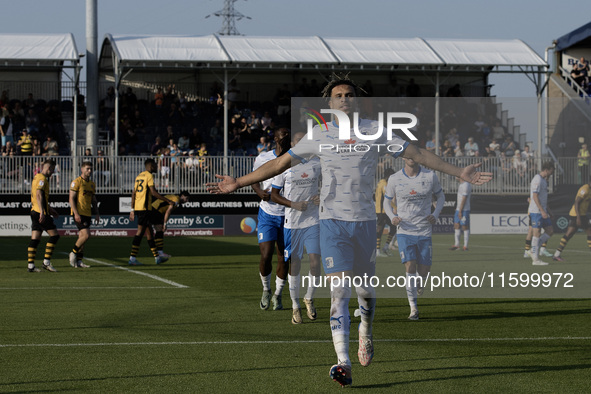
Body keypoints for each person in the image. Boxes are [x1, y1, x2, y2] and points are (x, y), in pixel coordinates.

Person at [207, 73, 492, 387]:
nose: (344, 99)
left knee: (365, 293)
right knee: (339, 292)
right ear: (330, 104)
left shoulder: (376, 132)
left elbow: (418, 154)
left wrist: (458, 172)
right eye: (338, 95)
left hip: (365, 225)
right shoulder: (319, 135)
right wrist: (238, 182)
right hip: (332, 225)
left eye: (349, 95)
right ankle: (343, 362)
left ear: (357, 102)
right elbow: (279, 165)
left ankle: (366, 331)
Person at [384, 156, 445, 320]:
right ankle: (413, 308)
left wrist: (435, 214)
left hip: (424, 230)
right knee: (410, 266)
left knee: (423, 271)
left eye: (414, 154)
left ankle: (419, 284)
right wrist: (392, 217)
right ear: (403, 157)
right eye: (408, 154)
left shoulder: (430, 176)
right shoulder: (394, 178)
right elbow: (386, 202)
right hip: (405, 230)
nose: (411, 157)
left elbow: (441, 197)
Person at [270, 133, 322, 324]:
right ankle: (295, 306)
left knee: (316, 262)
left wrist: (321, 196)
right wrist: (293, 204)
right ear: (292, 144)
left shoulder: (316, 163)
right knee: (295, 264)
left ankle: (308, 297)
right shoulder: (284, 167)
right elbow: (274, 195)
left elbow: (327, 185)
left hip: (313, 221)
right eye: (297, 141)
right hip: (292, 223)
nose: (301, 144)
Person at [252, 128, 291, 311]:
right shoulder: (263, 157)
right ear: (275, 138)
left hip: (288, 215)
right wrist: (259, 191)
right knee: (266, 255)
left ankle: (278, 295)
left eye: (288, 134)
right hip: (267, 212)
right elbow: (254, 178)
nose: (285, 136)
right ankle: (266, 290)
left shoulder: (295, 158)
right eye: (282, 134)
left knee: (284, 258)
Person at [128, 159, 174, 266]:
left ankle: (157, 257)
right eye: (155, 165)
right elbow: (153, 193)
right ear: (151, 166)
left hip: (140, 208)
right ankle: (132, 258)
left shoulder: (139, 176)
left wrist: (132, 209)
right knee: (140, 233)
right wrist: (167, 200)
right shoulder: (149, 176)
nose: (156, 167)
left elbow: (133, 193)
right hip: (145, 209)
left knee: (149, 234)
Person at [27, 159, 60, 273]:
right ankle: (46, 262)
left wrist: (50, 209)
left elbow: (41, 197)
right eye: (53, 169)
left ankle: (31, 266)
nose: (53, 172)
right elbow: (39, 194)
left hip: (34, 211)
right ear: (48, 168)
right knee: (54, 236)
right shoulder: (42, 179)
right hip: (40, 212)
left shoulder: (36, 177)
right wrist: (43, 211)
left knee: (35, 239)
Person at [68, 161, 99, 268]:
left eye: (91, 169)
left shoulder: (91, 184)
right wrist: (76, 213)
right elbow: (71, 198)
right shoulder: (76, 182)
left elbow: (93, 200)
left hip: (88, 213)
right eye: (87, 169)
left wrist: (97, 213)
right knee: (86, 235)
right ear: (82, 169)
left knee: (82, 237)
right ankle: (73, 252)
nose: (89, 171)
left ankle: (79, 261)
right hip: (79, 213)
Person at [552, 178, 591, 261]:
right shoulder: (585, 189)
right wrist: (578, 218)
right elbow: (577, 202)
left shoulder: (589, 189)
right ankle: (556, 255)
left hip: (580, 215)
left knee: (569, 234)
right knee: (589, 232)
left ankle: (556, 255)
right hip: (577, 215)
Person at [528, 161, 555, 265]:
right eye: (551, 171)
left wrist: (549, 211)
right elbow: (535, 196)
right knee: (537, 233)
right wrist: (542, 211)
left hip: (543, 210)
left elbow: (543, 198)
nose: (552, 174)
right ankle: (536, 260)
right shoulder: (537, 179)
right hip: (536, 211)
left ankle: (533, 250)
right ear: (546, 170)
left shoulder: (544, 180)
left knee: (550, 231)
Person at [151, 191, 191, 259]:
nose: (187, 201)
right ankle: (159, 252)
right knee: (159, 230)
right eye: (186, 198)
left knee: (157, 231)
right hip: (155, 210)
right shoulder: (177, 199)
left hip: (155, 210)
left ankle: (158, 252)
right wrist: (165, 223)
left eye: (188, 199)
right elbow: (168, 211)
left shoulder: (175, 199)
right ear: (182, 196)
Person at [375, 168, 396, 257]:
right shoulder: (383, 184)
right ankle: (378, 250)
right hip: (381, 211)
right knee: (380, 230)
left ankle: (385, 247)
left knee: (393, 227)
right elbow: (387, 198)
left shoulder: (382, 183)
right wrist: (395, 207)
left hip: (383, 211)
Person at [450, 177, 472, 251]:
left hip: (464, 209)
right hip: (458, 209)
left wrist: (460, 211)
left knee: (464, 226)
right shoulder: (461, 184)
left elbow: (464, 198)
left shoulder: (466, 185)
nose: (455, 176)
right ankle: (457, 245)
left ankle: (465, 246)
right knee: (456, 225)